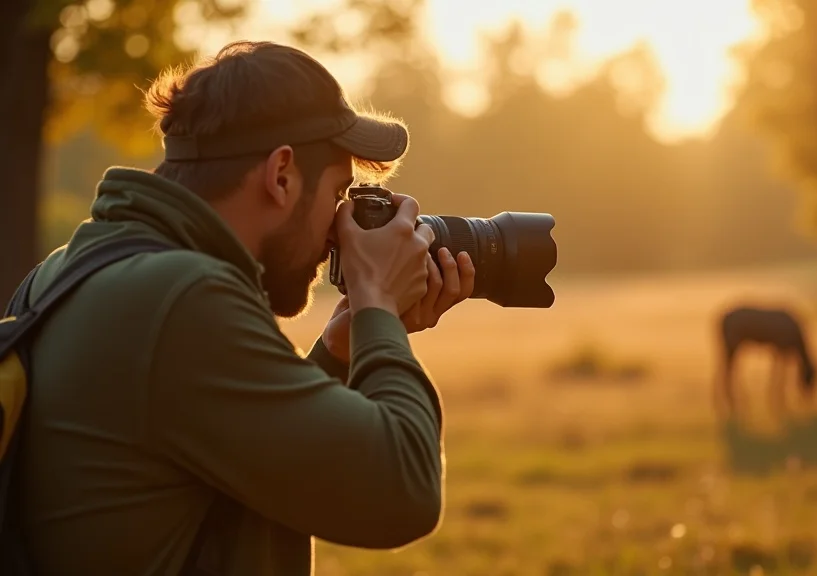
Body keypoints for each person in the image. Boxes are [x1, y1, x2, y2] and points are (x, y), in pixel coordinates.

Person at [12, 40, 474, 575]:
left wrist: (338, 351)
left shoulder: (69, 272)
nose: (338, 232)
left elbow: (228, 460)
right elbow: (403, 492)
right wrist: (377, 306)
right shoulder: (180, 301)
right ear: (281, 176)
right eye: (338, 195)